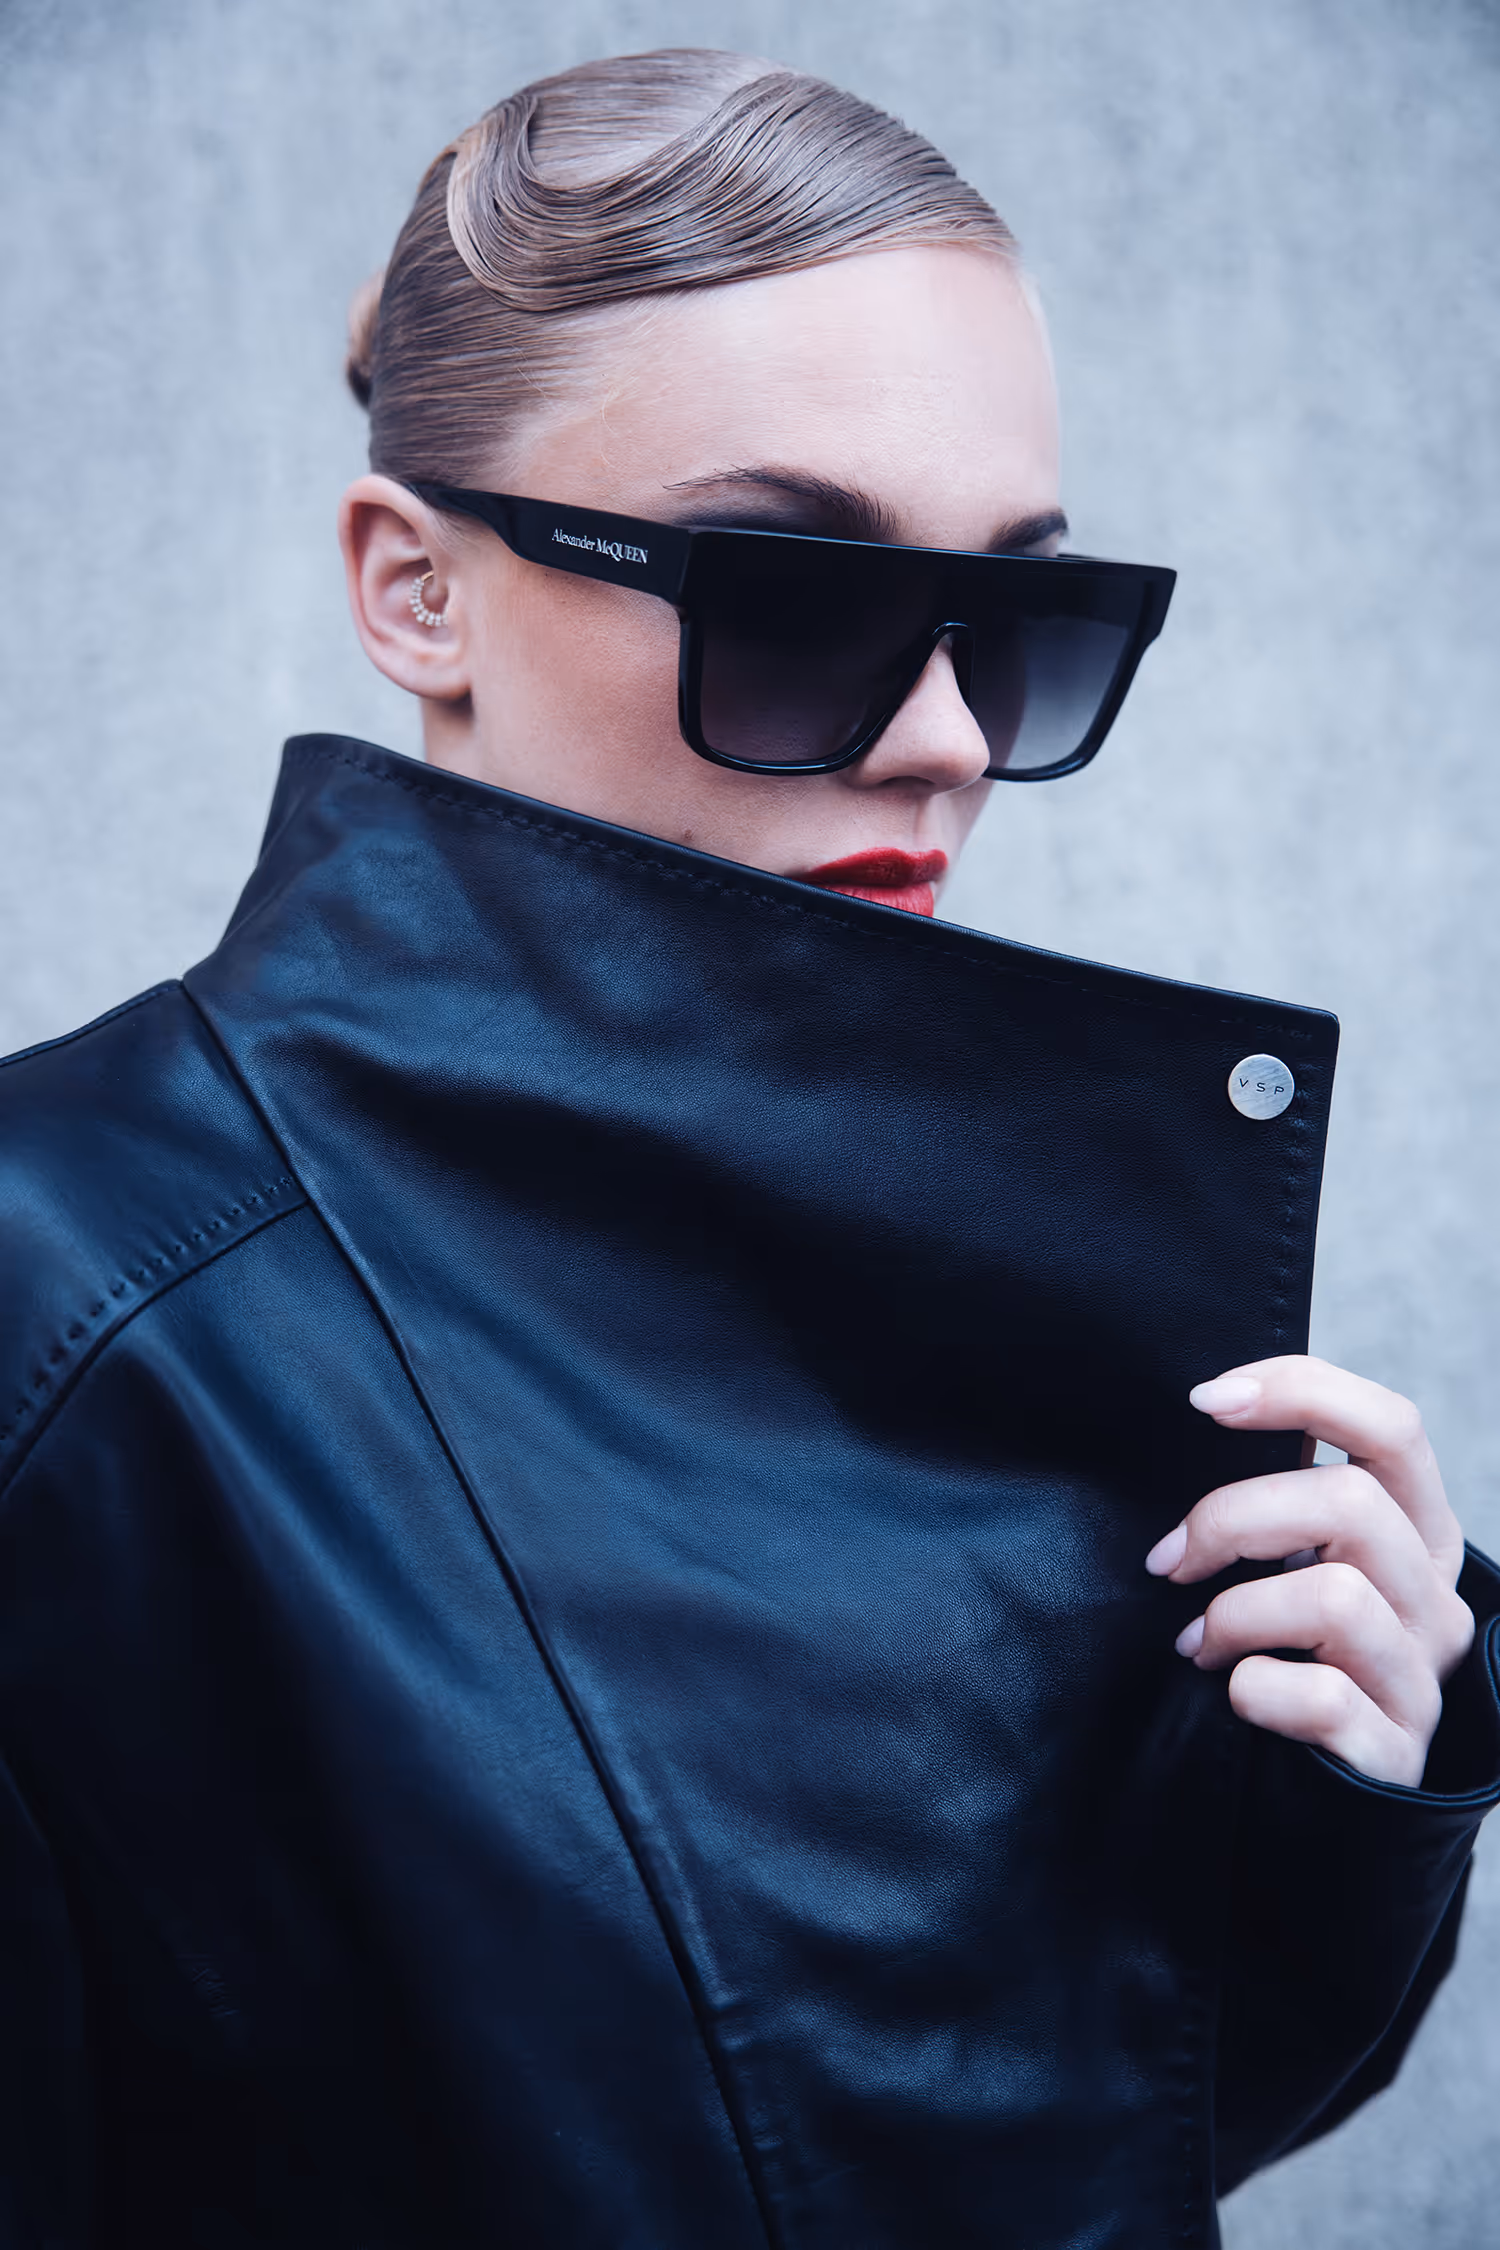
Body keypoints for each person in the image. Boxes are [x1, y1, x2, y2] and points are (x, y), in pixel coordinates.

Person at [1, 48, 1495, 2250]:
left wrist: (1355, 1783)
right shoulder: (72, 1306)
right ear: (416, 591)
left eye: (1024, 619)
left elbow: (1051, 2151)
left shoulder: (1029, 1272)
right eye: (789, 592)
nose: (948, 737)